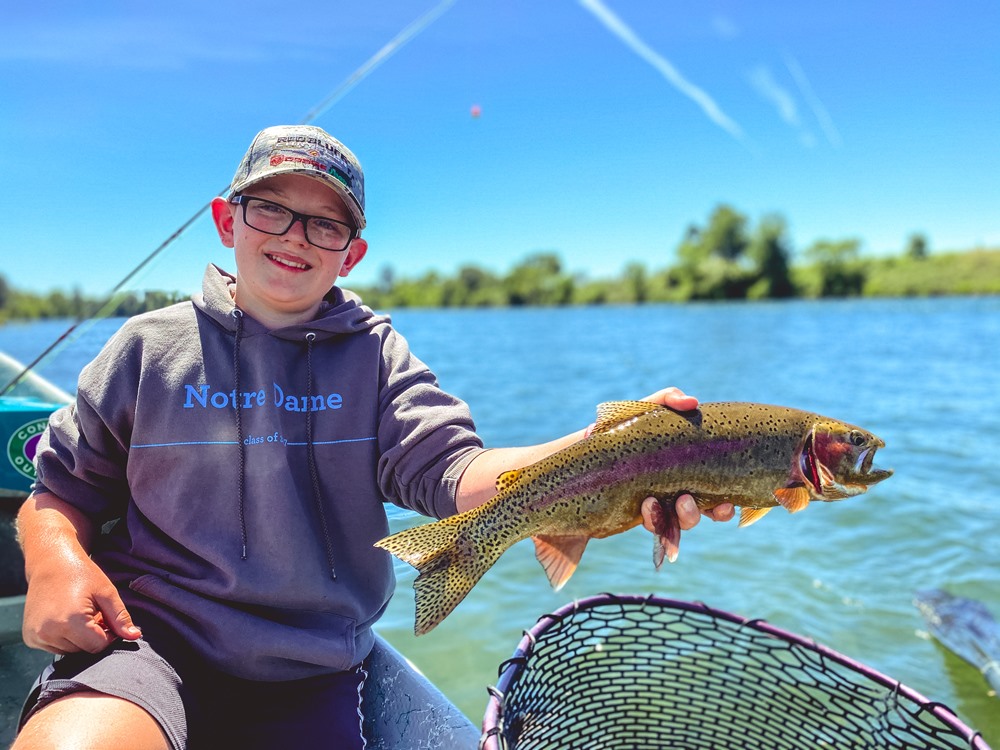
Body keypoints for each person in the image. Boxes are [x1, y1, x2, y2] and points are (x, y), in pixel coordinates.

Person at [13, 124, 734, 750]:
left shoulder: (376, 357)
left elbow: (458, 474)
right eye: (271, 210)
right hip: (145, 641)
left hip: (308, 672)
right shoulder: (146, 348)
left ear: (350, 255)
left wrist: (611, 450)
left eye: (324, 225)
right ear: (227, 221)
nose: (296, 236)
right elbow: (58, 492)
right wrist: (53, 562)